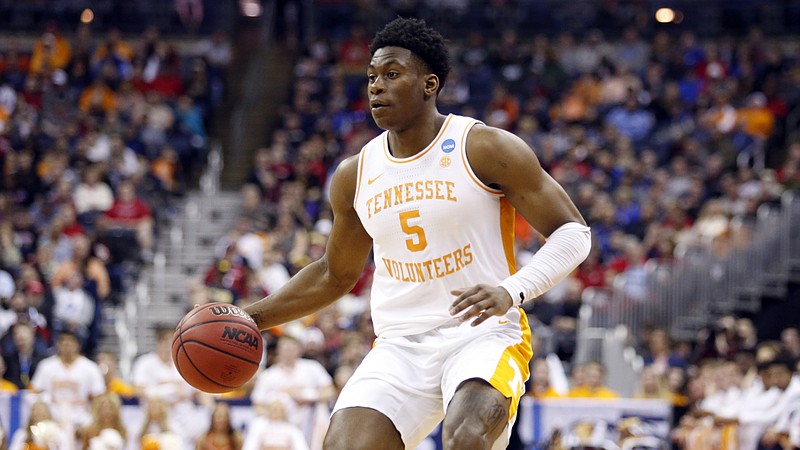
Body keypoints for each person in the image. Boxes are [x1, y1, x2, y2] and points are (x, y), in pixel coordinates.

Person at [243, 17, 590, 450]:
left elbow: (574, 233)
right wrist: (251, 318)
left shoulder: (482, 147)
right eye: (371, 77)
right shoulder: (354, 174)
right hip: (400, 345)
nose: (375, 87)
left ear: (429, 85)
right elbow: (335, 274)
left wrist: (511, 290)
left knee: (465, 437)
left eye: (391, 74)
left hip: (483, 334)